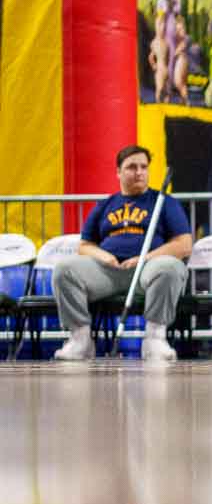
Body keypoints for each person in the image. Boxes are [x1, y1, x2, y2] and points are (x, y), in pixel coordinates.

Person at [50, 144, 192, 362]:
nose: (139, 172)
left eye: (144, 167)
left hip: (148, 269)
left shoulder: (164, 202)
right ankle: (79, 339)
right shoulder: (106, 204)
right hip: (109, 271)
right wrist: (103, 256)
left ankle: (155, 339)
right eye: (131, 167)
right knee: (64, 269)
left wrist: (145, 258)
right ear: (118, 172)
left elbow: (184, 244)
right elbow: (84, 245)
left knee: (170, 267)